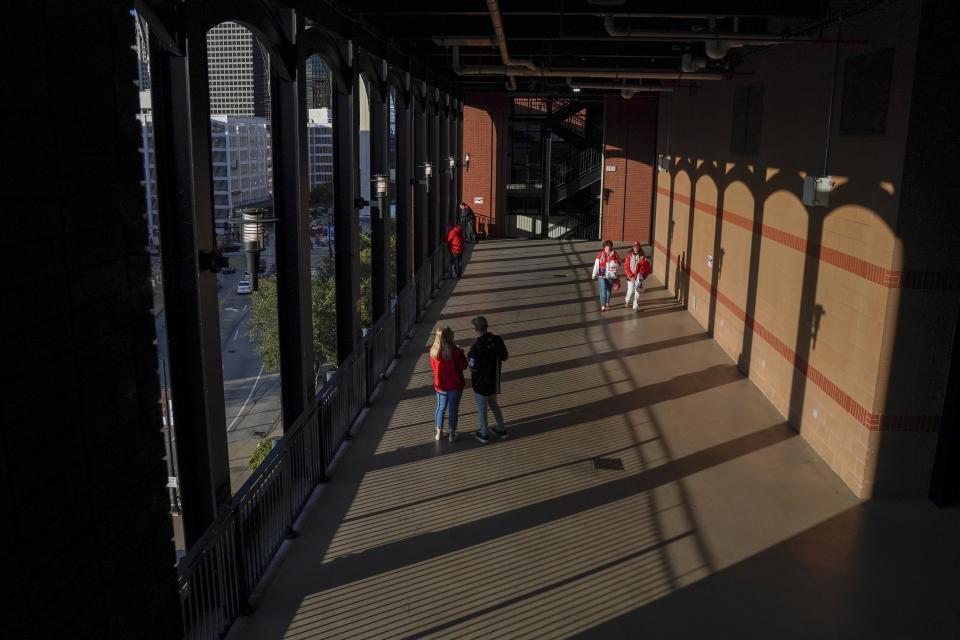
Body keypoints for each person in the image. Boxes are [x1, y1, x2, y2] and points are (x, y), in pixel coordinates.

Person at [468, 316, 510, 443]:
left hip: (481, 384)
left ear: (476, 329)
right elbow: (505, 356)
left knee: (482, 408)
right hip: (494, 381)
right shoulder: (497, 340)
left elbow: (473, 367)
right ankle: (501, 428)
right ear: (487, 326)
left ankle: (484, 433)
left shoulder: (476, 346)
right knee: (494, 404)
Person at [430, 326, 467, 442]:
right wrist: (462, 353)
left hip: (440, 386)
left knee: (440, 408)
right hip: (455, 385)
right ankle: (452, 434)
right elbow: (464, 366)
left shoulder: (433, 352)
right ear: (449, 337)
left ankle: (438, 432)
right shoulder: (455, 351)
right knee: (453, 410)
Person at [591, 240, 621, 312]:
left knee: (608, 290)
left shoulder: (615, 254)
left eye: (609, 246)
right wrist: (594, 274)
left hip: (611, 275)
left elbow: (619, 263)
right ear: (604, 247)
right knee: (603, 289)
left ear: (611, 247)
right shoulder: (600, 255)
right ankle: (603, 305)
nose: (607, 248)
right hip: (602, 274)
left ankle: (607, 303)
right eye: (606, 247)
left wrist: (613, 263)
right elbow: (596, 265)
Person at [623, 241, 652, 311]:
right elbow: (626, 267)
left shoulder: (643, 256)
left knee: (637, 292)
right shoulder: (629, 255)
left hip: (639, 277)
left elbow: (646, 267)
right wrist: (630, 276)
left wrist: (643, 276)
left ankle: (635, 306)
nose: (636, 248)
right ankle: (627, 300)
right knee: (630, 290)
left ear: (639, 247)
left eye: (637, 246)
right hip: (631, 277)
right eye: (634, 246)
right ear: (632, 247)